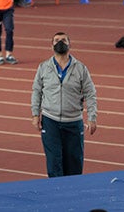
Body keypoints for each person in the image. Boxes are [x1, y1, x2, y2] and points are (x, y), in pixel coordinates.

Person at [30, 32, 98, 178]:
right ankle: (57, 195)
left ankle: (73, 195)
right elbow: (37, 91)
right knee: (54, 163)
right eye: (56, 40)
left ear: (69, 45)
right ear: (51, 45)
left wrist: (92, 117)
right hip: (50, 121)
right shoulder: (44, 67)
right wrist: (35, 115)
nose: (60, 42)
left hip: (73, 122)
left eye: (63, 40)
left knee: (74, 164)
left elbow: (90, 93)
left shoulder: (80, 68)